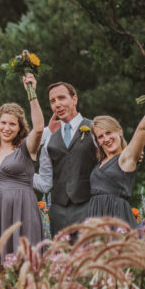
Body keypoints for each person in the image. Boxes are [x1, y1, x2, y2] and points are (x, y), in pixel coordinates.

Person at [87, 82, 145, 228]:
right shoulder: (100, 162)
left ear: (119, 131)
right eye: (100, 136)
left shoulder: (126, 158)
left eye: (109, 133)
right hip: (95, 219)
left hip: (117, 218)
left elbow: (143, 129)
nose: (106, 139)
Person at [0, 74, 45, 256]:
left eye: (12, 124)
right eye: (3, 123)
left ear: (19, 128)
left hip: (23, 208)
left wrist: (32, 93)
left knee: (24, 260)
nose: (6, 128)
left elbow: (39, 128)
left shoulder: (26, 147)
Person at [32, 82, 98, 237]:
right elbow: (45, 183)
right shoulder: (49, 139)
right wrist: (19, 173)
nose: (57, 104)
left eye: (62, 98)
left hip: (89, 207)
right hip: (59, 213)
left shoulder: (95, 128)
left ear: (74, 99)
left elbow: (115, 157)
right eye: (53, 101)